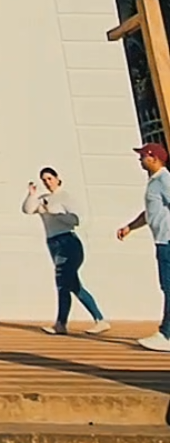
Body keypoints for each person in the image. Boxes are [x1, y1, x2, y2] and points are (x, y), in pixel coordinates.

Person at [23, 168, 109, 336]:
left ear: (57, 178)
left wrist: (54, 213)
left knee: (63, 283)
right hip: (53, 243)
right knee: (73, 285)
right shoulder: (44, 199)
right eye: (44, 179)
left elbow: (75, 220)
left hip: (68, 243)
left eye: (50, 178)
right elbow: (27, 210)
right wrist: (32, 195)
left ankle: (61, 324)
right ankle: (99, 320)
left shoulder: (65, 197)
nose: (47, 182)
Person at [116, 141, 170, 351]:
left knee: (169, 287)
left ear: (153, 158)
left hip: (167, 241)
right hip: (163, 241)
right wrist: (131, 226)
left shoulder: (164, 180)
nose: (140, 159)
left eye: (142, 156)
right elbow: (150, 213)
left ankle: (167, 335)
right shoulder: (155, 182)